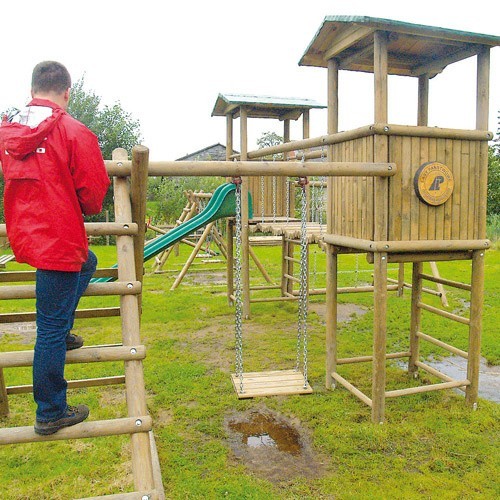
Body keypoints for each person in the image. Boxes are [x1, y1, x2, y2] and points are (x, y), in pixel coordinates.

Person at [0, 61, 110, 435]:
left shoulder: (10, 130)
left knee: (89, 262)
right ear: (66, 92)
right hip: (59, 237)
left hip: (28, 234)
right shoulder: (74, 131)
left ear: (33, 91)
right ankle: (50, 410)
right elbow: (93, 197)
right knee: (47, 328)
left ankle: (62, 332)